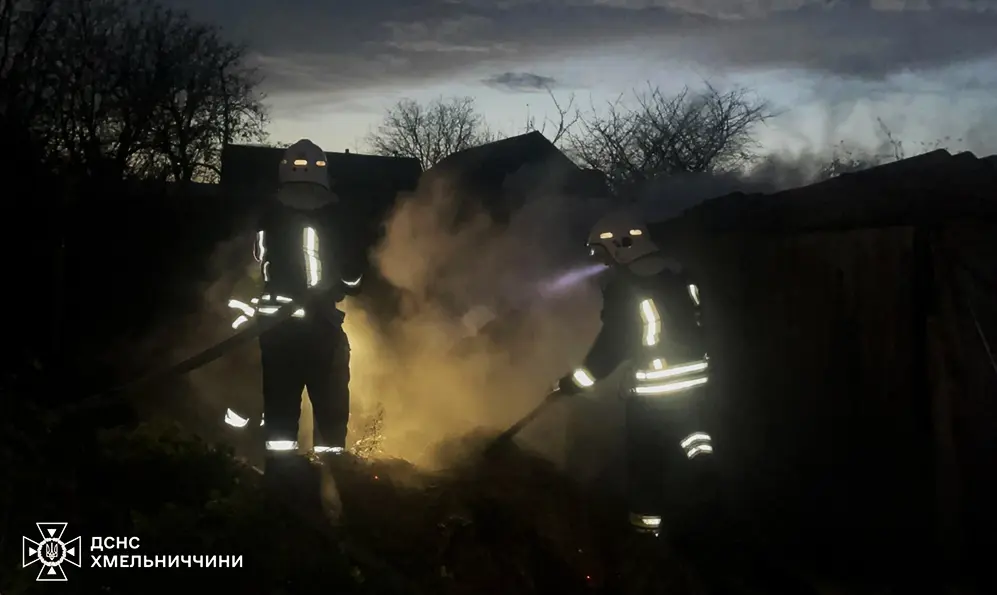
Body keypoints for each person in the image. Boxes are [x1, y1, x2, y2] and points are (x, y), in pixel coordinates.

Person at [555, 208, 713, 537]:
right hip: (696, 384)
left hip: (654, 396)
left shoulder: (625, 288)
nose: (603, 263)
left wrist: (574, 383)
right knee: (695, 441)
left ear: (620, 245)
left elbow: (611, 347)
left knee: (646, 465)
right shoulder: (680, 275)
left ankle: (645, 535)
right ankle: (710, 500)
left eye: (602, 253)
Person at [251, 139, 363, 488]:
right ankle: (334, 486)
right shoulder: (336, 215)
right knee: (330, 409)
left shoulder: (269, 213)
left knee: (280, 410)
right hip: (320, 328)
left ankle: (281, 485)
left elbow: (258, 259)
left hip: (275, 328)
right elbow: (352, 277)